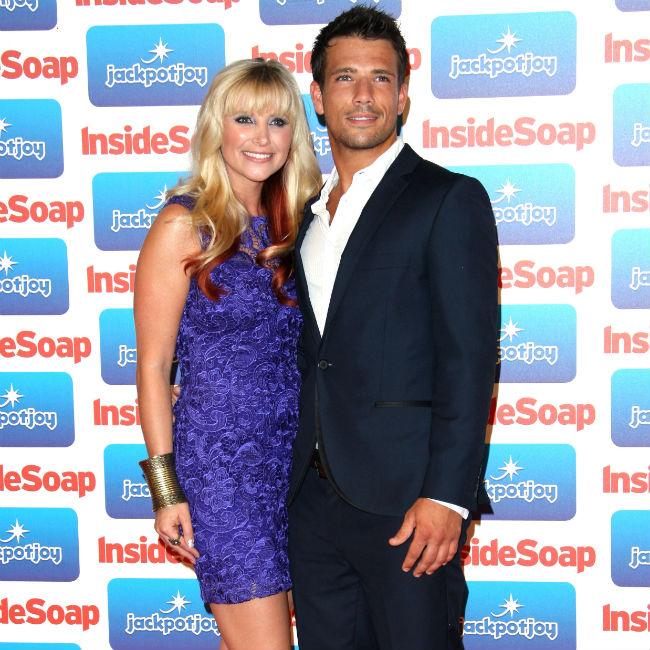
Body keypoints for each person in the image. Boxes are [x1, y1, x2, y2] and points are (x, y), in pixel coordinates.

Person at [287, 7, 499, 650]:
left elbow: (469, 361)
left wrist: (448, 497)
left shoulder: (447, 198)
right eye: (344, 77)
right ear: (318, 96)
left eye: (380, 78)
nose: (363, 95)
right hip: (310, 504)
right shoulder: (302, 215)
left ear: (403, 95)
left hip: (409, 507)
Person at [134, 58, 321, 650]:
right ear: (218, 128)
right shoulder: (184, 225)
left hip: (292, 465)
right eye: (245, 119)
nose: (262, 137)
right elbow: (154, 367)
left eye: (277, 121)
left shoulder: (300, 227)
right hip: (222, 471)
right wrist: (167, 492)